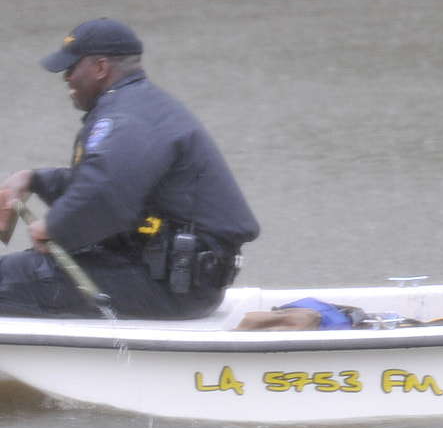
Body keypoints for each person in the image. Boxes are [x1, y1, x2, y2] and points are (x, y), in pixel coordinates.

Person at [0, 18, 260, 318]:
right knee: (23, 272)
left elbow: (105, 195)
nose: (66, 77)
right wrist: (33, 181)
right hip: (171, 277)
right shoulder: (137, 107)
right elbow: (101, 183)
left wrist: (53, 226)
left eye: (72, 68)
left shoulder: (130, 118)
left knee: (12, 278)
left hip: (174, 286)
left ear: (100, 68)